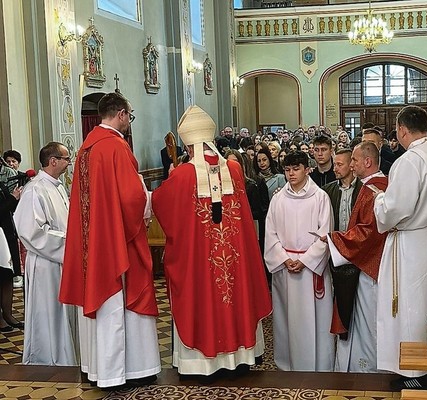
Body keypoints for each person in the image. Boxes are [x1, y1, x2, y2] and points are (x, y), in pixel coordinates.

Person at [153, 106, 271, 377]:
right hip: (234, 256)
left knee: (204, 299)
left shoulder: (182, 174)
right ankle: (240, 357)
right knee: (234, 295)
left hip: (200, 260)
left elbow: (161, 205)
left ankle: (202, 364)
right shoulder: (233, 168)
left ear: (188, 143)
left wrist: (172, 175)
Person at [59, 92, 160, 388]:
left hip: (93, 240)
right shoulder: (116, 147)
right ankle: (123, 371)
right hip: (116, 241)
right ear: (121, 115)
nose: (129, 121)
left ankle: (98, 368)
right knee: (117, 302)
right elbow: (132, 198)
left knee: (99, 302)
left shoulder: (86, 149)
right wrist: (148, 206)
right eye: (129, 115)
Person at [374, 105, 427, 390]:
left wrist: (379, 201)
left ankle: (417, 369)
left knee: (414, 303)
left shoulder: (409, 161)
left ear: (401, 130)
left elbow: (396, 208)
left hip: (411, 240)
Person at [264, 150, 334, 371]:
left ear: (307, 169)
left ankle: (319, 364)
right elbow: (270, 234)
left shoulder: (320, 197)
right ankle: (287, 364)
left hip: (310, 269)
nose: (291, 174)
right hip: (286, 269)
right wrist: (284, 259)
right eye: (287, 170)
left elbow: (326, 234)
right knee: (287, 322)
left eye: (296, 169)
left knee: (315, 321)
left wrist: (305, 260)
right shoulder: (278, 199)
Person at [325, 141, 388, 373]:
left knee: (368, 318)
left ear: (367, 162)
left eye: (354, 160)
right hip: (368, 262)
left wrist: (334, 239)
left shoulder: (374, 189)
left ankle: (369, 368)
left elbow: (368, 231)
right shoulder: (372, 186)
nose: (352, 165)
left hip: (370, 266)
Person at [14, 142, 78, 366]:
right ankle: (46, 359)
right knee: (48, 313)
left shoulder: (57, 186)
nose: (69, 163)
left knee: (61, 313)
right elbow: (30, 231)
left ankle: (64, 357)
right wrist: (70, 242)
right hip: (45, 263)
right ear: (53, 161)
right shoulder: (35, 188)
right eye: (66, 158)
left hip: (60, 261)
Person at [321, 149, 362, 358]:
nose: (335, 168)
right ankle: (342, 345)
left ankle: (359, 344)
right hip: (336, 254)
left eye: (340, 164)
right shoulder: (327, 191)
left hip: (359, 254)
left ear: (351, 166)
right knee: (339, 301)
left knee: (360, 304)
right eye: (334, 164)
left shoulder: (364, 190)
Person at [0, 161, 22, 331]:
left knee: (8, 276)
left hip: (7, 233)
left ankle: (8, 313)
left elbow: (8, 208)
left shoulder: (1, 184)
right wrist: (11, 199)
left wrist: (15, 198)